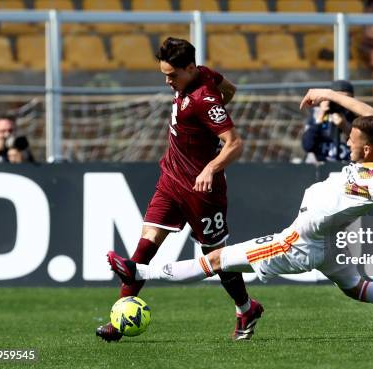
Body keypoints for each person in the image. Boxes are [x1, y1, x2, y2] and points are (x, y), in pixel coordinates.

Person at [107, 110, 373, 341]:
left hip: (298, 242)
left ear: (368, 150)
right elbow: (368, 115)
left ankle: (140, 274)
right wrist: (328, 96)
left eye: (352, 143)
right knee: (356, 287)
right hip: (326, 243)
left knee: (216, 260)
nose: (347, 144)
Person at [96, 37, 255, 342]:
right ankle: (118, 320)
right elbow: (231, 90)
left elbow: (234, 144)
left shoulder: (203, 99)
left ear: (190, 68)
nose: (168, 81)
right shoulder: (205, 75)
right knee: (146, 244)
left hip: (201, 189)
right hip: (171, 178)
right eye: (164, 74)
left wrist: (210, 167)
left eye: (172, 75)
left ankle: (246, 308)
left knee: (217, 257)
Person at [301, 80, 357, 163]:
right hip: (319, 165)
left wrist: (345, 127)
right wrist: (321, 115)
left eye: (345, 100)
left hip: (345, 166)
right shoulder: (317, 113)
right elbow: (308, 146)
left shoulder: (355, 116)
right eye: (337, 99)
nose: (340, 104)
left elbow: (362, 145)